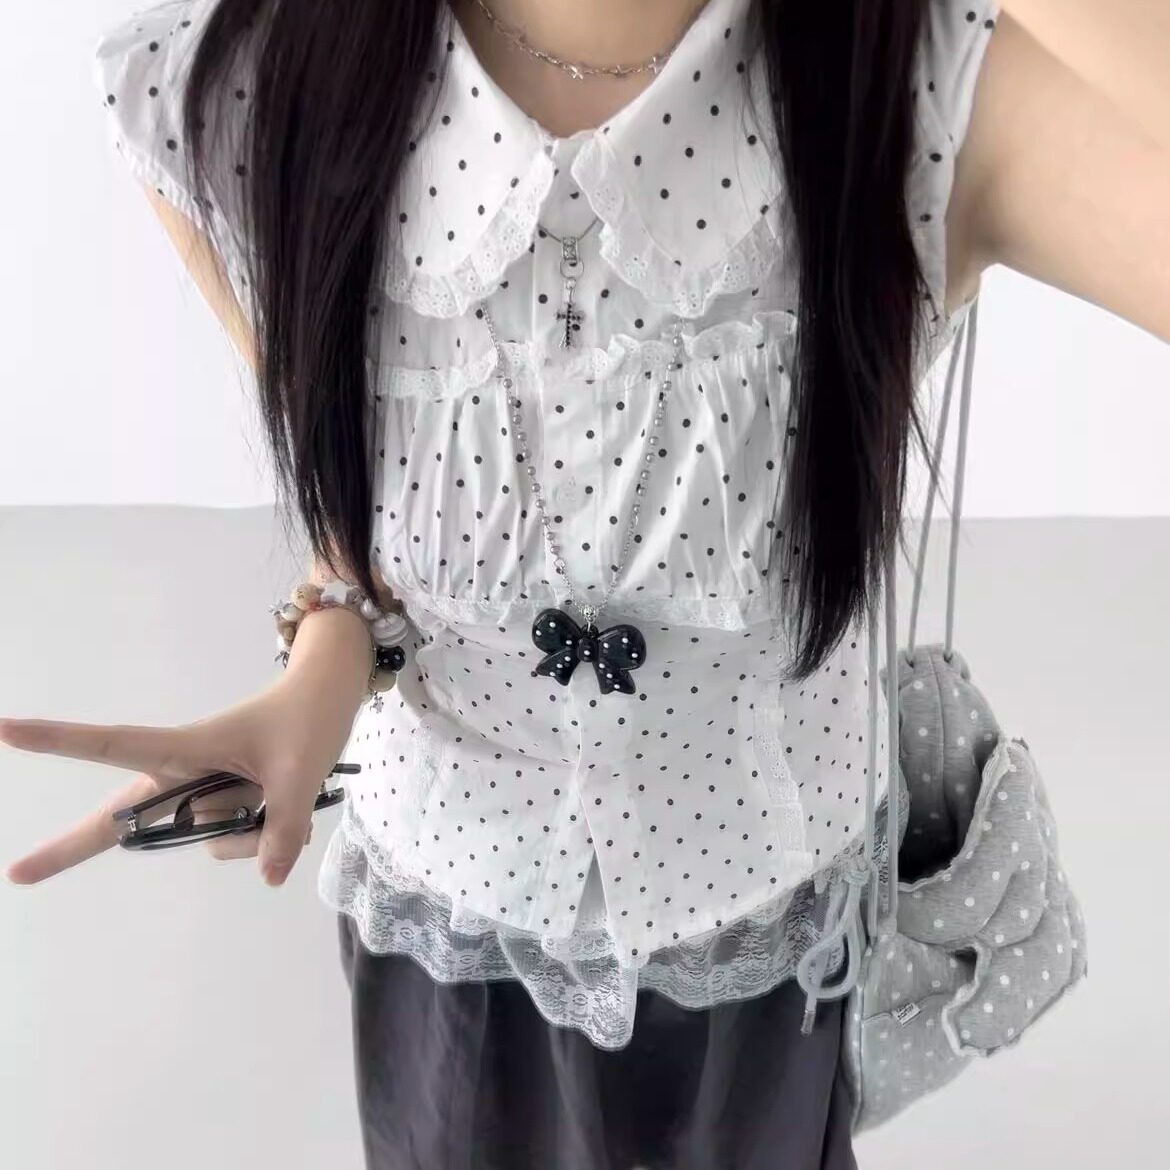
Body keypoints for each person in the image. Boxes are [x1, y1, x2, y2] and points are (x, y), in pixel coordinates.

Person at [4, 1, 1168, 1167]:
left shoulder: (924, 86)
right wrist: (329, 651)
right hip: (446, 924)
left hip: (765, 938)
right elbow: (371, 501)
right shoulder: (246, 88)